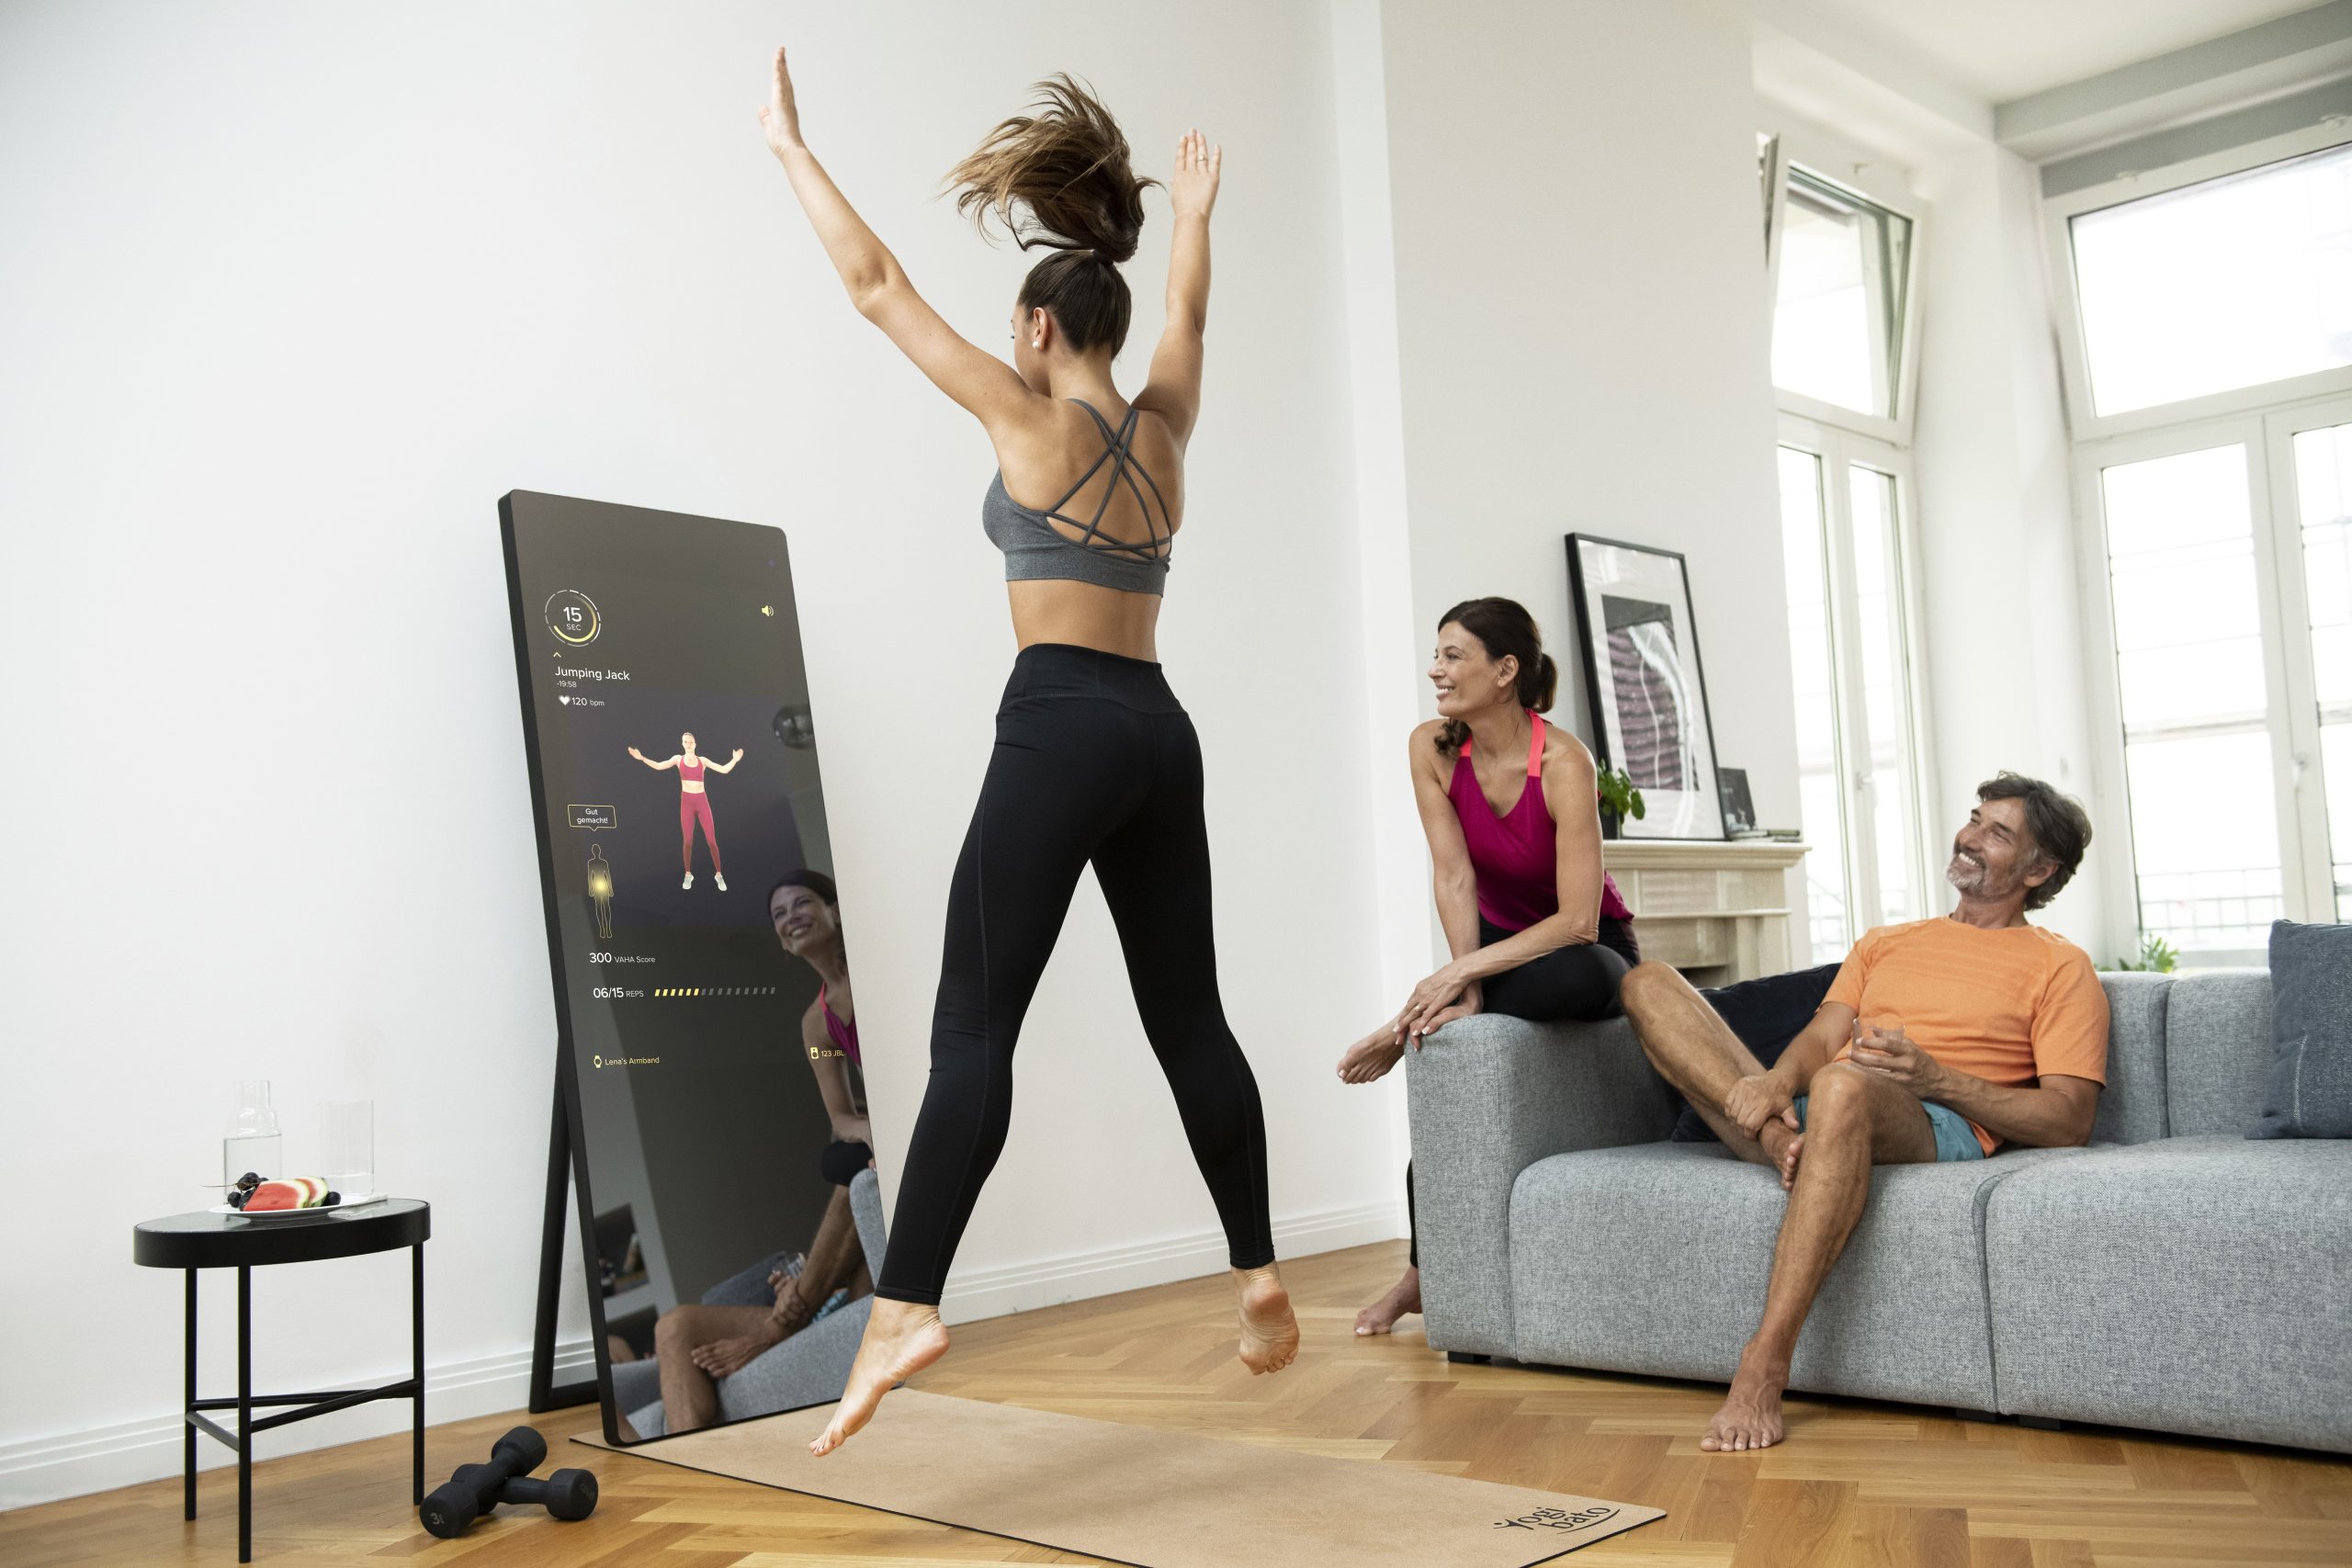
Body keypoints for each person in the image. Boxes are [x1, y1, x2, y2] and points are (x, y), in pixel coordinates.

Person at [759, 49, 1294, 1456]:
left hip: (1057, 720)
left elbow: (877, 289)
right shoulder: (1165, 431)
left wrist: (791, 152)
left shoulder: (1026, 414)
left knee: (969, 1029)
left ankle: (906, 1303)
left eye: (1017, 319)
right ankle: (1258, 1271)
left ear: (1044, 325)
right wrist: (1194, 216)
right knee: (1192, 1020)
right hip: (1157, 729)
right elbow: (1184, 309)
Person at [1618, 773, 2107, 1452]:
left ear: (2041, 868)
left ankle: (1764, 1364)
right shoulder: (1887, 940)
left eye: (1998, 832)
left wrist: (1937, 1077)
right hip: (1827, 1100)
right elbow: (1822, 1037)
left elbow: (2069, 1118)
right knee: (1647, 982)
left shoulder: (2060, 966)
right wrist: (1773, 1086)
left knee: (1843, 1084)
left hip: (1935, 1119)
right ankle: (1782, 1138)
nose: (1970, 836)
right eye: (1974, 818)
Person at [1335, 599, 1639, 1336]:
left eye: (1453, 655)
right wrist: (1459, 977)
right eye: (1435, 655)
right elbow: (1455, 877)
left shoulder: (1565, 762)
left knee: (1575, 973)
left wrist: (1458, 978)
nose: (1435, 670)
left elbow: (1577, 922)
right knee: (1453, 1066)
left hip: (1584, 953)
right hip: (1501, 948)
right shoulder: (1433, 748)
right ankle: (1421, 1274)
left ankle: (1403, 1020)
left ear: (1505, 671)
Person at [639, 871, 880, 1431]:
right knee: (674, 1326)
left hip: (849, 1243)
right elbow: (840, 1117)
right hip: (829, 1265)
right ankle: (690, 1464)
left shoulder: (879, 971)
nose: (791, 915)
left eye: (803, 903)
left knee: (850, 1171)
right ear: (779, 937)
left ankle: (783, 1321)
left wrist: (878, 1137)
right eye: (779, 913)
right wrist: (868, 1132)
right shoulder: (816, 1020)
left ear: (835, 910)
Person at [626, 731, 743, 890]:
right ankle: (688, 874)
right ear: (682, 744)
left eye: (691, 742)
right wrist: (642, 758)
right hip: (687, 804)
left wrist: (734, 760)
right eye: (685, 742)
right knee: (687, 841)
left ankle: (719, 875)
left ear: (695, 744)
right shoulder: (677, 759)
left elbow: (723, 769)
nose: (688, 744)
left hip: (702, 803)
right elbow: (660, 766)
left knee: (711, 841)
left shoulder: (703, 761)